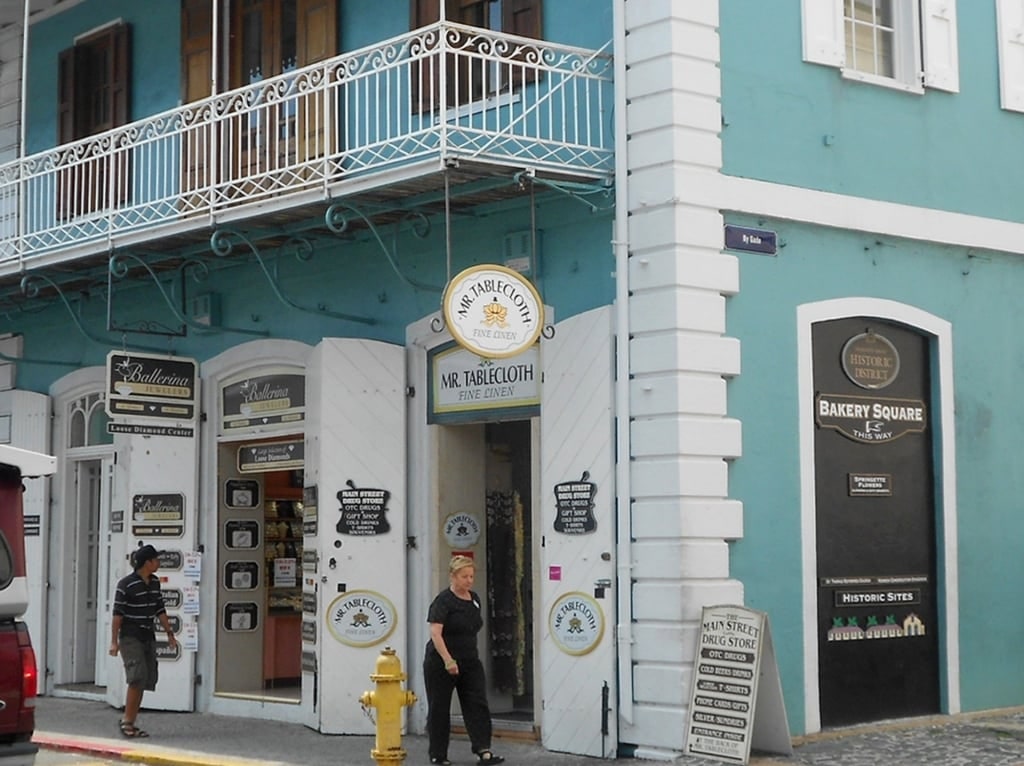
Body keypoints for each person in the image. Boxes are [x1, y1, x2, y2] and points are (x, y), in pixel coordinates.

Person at [423, 554, 505, 765]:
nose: (469, 580)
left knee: (477, 703)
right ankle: (438, 754)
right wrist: (448, 660)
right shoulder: (443, 601)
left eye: (471, 576)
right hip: (442, 660)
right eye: (464, 576)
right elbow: (435, 634)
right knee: (439, 707)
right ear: (453, 576)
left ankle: (483, 750)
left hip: (469, 659)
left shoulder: (474, 599)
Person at [109, 543, 177, 738]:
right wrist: (114, 642)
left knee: (146, 678)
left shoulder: (154, 582)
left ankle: (131, 720)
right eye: (156, 559)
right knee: (136, 677)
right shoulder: (126, 585)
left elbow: (160, 609)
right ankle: (126, 722)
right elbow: (117, 615)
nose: (158, 562)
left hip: (148, 635)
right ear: (147, 563)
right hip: (130, 636)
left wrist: (169, 633)